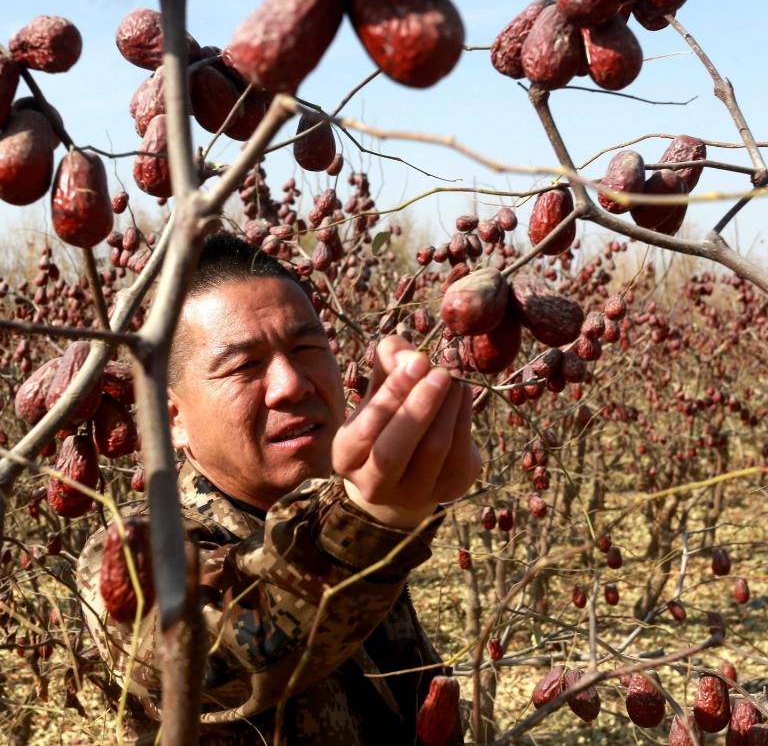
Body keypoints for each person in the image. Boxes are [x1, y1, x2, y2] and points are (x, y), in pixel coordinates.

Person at [76, 232, 480, 744]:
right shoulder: (134, 553)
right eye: (244, 365)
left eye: (307, 348)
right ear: (172, 417)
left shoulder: (329, 506)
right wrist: (370, 519)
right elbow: (216, 657)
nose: (291, 383)